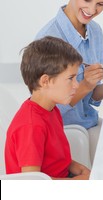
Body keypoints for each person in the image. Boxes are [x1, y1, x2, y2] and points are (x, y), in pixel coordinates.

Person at [35, 0, 103, 162]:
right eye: (86, 0)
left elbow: (90, 98)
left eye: (101, 4)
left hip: (88, 123)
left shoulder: (95, 32)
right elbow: (47, 109)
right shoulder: (48, 40)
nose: (92, 10)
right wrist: (85, 84)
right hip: (63, 131)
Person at [5, 36, 90, 179]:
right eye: (71, 78)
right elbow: (32, 183)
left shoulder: (51, 108)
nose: (76, 85)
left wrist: (76, 168)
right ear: (45, 81)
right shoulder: (31, 126)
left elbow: (55, 158)